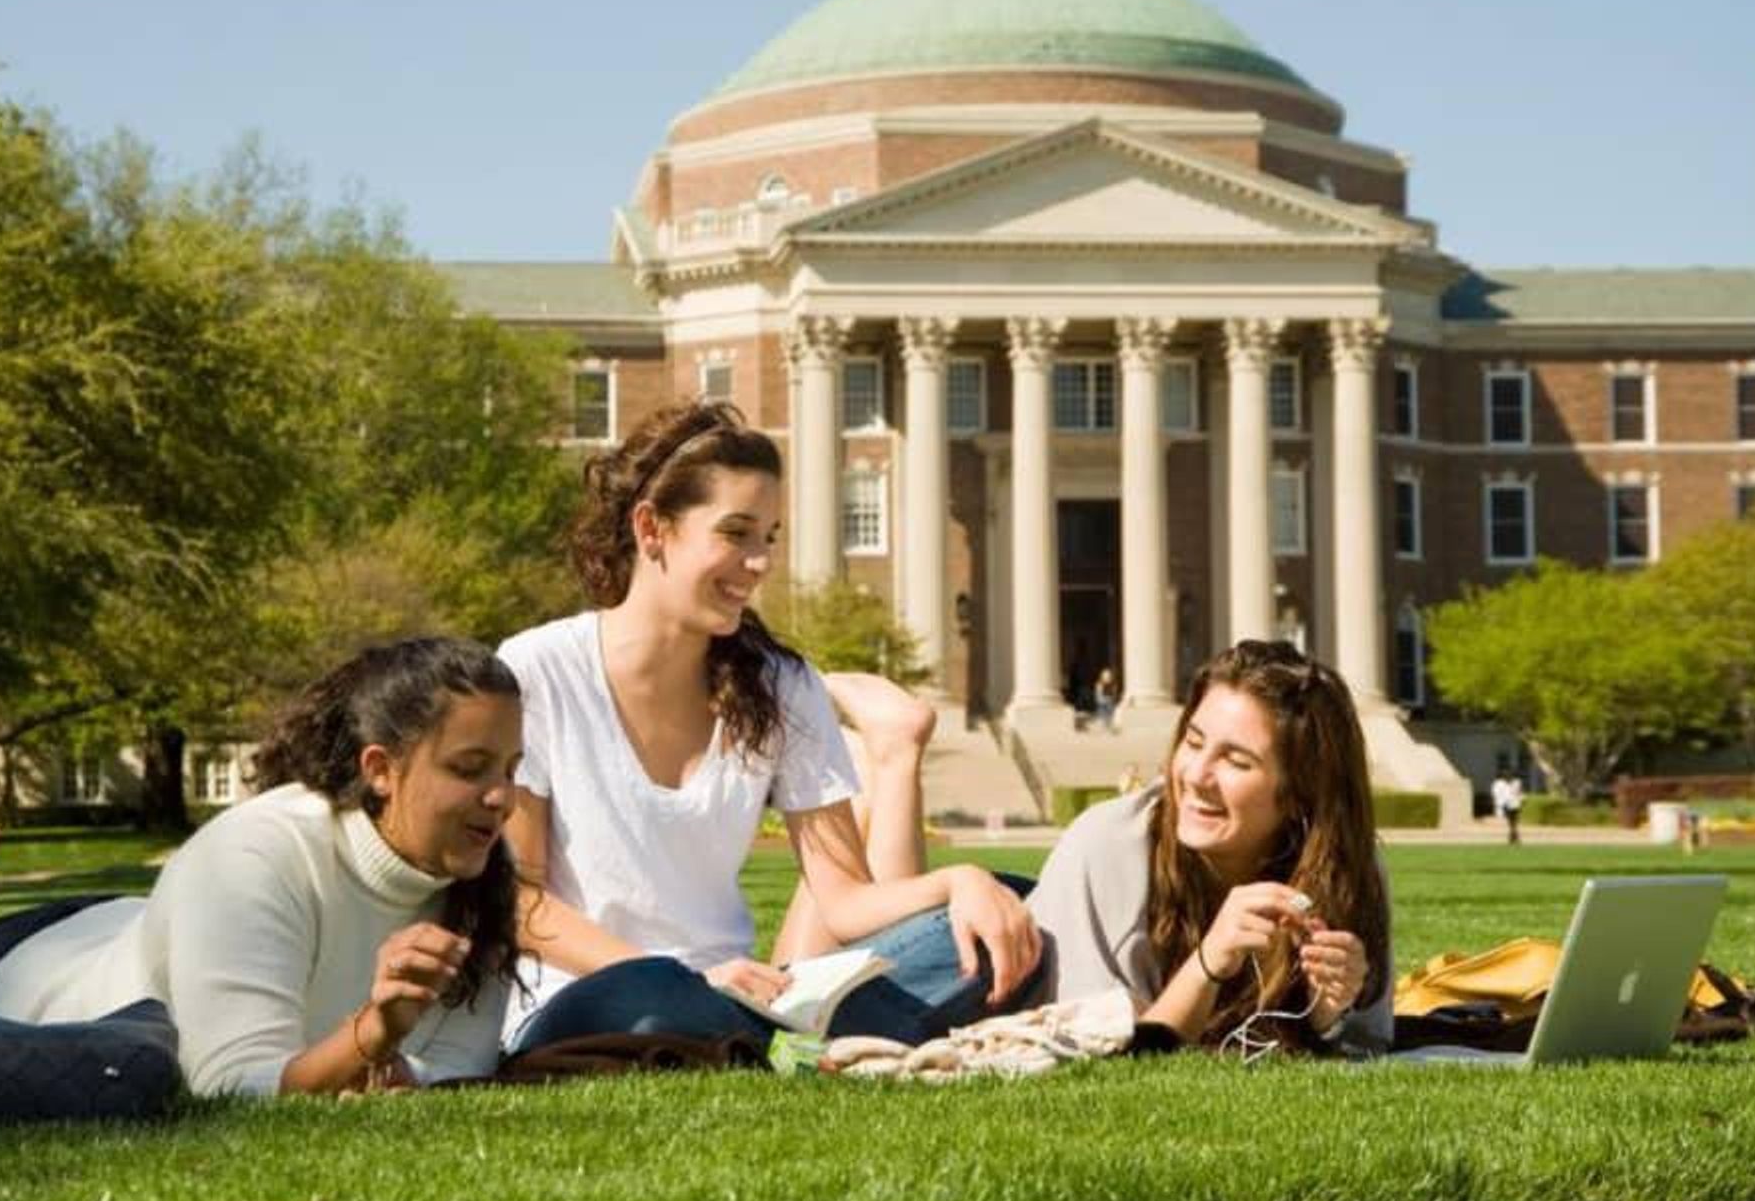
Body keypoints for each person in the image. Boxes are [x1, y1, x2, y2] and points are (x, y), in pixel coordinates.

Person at [499, 399, 1041, 1050]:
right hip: (589, 996)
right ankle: (769, 1041)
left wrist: (963, 883)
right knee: (666, 1009)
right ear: (652, 529)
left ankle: (765, 1040)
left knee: (1013, 914)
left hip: (740, 994)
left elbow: (844, 901)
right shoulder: (538, 669)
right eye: (736, 533)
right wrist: (679, 977)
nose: (760, 562)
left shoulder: (782, 682)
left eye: (770, 537)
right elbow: (518, 901)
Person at [0, 637, 525, 1096]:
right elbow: (233, 1085)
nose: (501, 796)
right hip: (26, 979)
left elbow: (459, 1068)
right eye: (469, 767)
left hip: (130, 929)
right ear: (381, 768)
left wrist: (394, 1069)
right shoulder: (262, 851)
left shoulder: (483, 877)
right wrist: (375, 1033)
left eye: (511, 767)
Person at [1027, 640, 1392, 1056]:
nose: (1196, 776)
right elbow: (1104, 1052)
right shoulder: (1105, 847)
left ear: (1299, 794)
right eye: (1194, 742)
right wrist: (1208, 962)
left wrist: (1328, 1013)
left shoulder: (1345, 864)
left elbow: (1369, 1042)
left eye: (1236, 761)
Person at [1491, 767, 1524, 846]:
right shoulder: (1498, 784)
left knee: (1514, 822)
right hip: (1506, 805)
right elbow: (1496, 794)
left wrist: (1522, 799)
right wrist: (1499, 804)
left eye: (1510, 776)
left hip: (1515, 804)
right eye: (1507, 776)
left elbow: (1519, 793)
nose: (1509, 777)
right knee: (1512, 822)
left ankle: (1513, 837)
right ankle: (1514, 836)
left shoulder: (1517, 782)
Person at [1093, 667, 1119, 733]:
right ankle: (1106, 725)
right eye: (1105, 676)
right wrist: (1104, 700)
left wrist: (1111, 698)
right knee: (1104, 711)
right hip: (1102, 702)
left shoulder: (1113, 684)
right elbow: (1098, 695)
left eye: (1108, 676)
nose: (1107, 678)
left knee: (1110, 710)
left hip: (1109, 703)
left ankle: (1110, 725)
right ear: (1102, 677)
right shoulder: (1099, 684)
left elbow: (1114, 695)